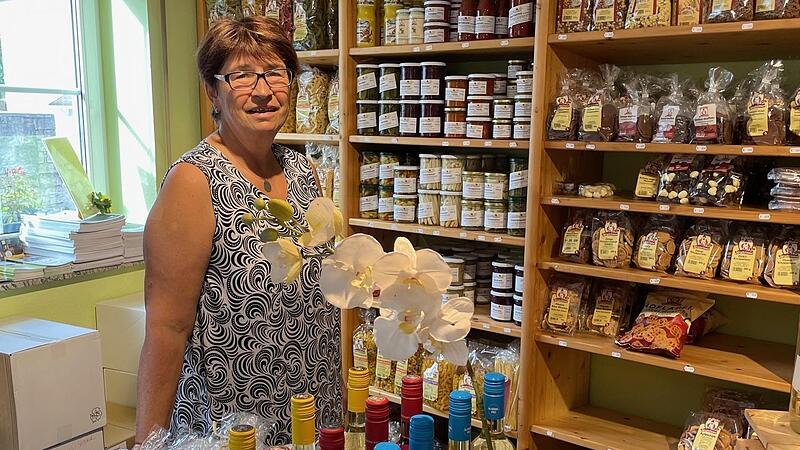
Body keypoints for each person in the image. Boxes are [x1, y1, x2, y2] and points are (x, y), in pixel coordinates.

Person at [136, 16, 342, 445]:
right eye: (242, 75)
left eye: (275, 73)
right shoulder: (193, 181)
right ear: (212, 90)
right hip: (231, 423)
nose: (263, 91)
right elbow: (166, 329)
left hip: (313, 407)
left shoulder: (303, 170)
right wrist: (147, 441)